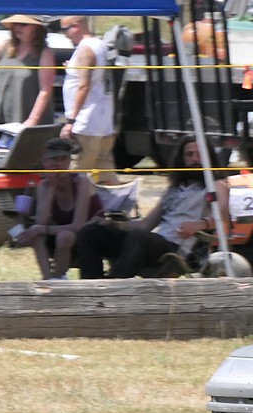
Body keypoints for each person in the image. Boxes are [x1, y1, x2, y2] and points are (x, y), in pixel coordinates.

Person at [75, 137, 227, 279]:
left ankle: (111, 289)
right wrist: (114, 224)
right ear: (182, 158)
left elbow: (223, 215)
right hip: (152, 243)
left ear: (209, 158)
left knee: (139, 237)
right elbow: (145, 224)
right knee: (90, 232)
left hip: (176, 248)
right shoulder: (174, 189)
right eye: (189, 154)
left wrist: (198, 225)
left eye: (199, 155)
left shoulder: (216, 185)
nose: (194, 159)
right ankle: (92, 286)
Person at [13, 137, 102, 279]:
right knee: (37, 233)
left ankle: (58, 278)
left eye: (63, 159)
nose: (59, 164)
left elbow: (78, 225)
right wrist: (52, 187)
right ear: (45, 162)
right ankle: (49, 280)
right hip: (60, 234)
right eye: (54, 159)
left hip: (88, 234)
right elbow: (41, 221)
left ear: (68, 162)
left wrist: (44, 229)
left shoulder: (80, 182)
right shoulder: (44, 185)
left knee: (64, 236)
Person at [58, 16, 120, 185]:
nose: (65, 34)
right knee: (105, 174)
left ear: (76, 26)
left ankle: (75, 210)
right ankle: (115, 207)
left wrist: (70, 120)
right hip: (104, 123)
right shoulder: (100, 45)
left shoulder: (85, 50)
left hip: (86, 124)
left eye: (65, 29)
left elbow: (83, 86)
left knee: (75, 175)